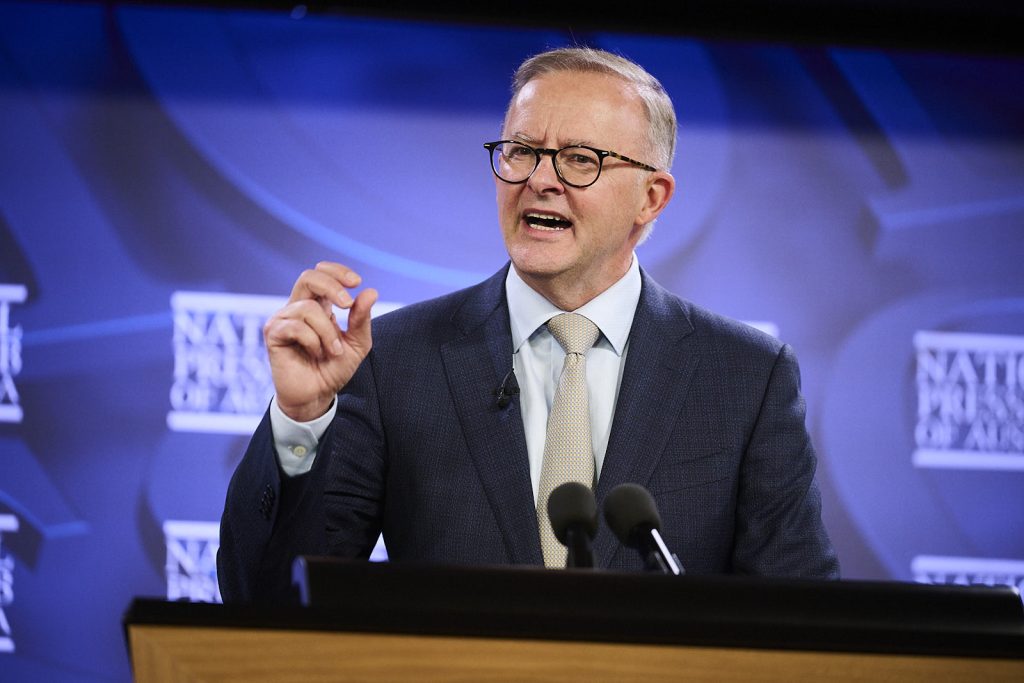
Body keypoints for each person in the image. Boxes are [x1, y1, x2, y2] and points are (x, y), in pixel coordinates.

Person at [217, 46, 839, 604]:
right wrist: (300, 421)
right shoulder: (397, 358)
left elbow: (800, 620)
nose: (540, 180)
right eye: (521, 152)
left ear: (651, 198)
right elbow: (266, 598)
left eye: (579, 159)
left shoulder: (745, 378)